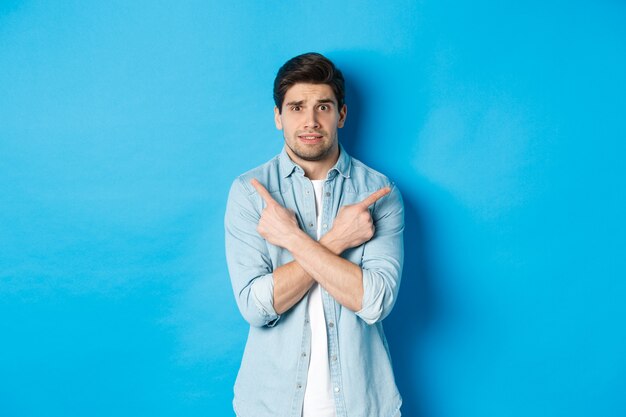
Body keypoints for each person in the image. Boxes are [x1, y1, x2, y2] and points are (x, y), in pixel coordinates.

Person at [225, 52, 404, 417]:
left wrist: (291, 238)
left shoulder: (378, 192)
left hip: (362, 406)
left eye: (323, 107)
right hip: (269, 406)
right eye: (296, 108)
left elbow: (376, 301)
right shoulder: (250, 192)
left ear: (341, 114)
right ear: (278, 117)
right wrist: (338, 240)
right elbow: (257, 306)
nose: (310, 121)